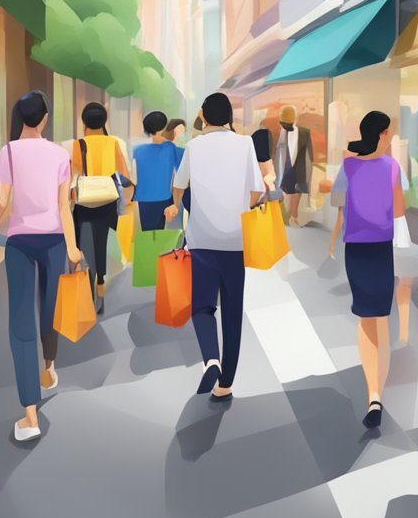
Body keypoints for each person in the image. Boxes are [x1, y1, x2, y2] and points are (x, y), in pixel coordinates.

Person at [0, 92, 83, 442]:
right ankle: (49, 368)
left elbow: (2, 201)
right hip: (55, 241)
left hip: (20, 244)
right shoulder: (59, 154)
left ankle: (30, 415)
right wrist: (72, 246)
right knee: (51, 308)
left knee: (21, 323)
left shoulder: (8, 151)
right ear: (44, 119)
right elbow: (64, 206)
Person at [165, 93, 263, 401]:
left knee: (202, 307)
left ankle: (211, 359)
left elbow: (179, 185)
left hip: (202, 240)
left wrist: (176, 203)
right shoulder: (245, 144)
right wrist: (239, 208)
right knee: (233, 311)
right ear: (230, 117)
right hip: (236, 241)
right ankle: (226, 384)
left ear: (204, 116)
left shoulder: (194, 146)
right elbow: (257, 191)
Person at [327, 112, 406, 428]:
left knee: (365, 317)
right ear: (383, 134)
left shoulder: (348, 165)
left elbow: (337, 200)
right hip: (380, 247)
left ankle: (371, 392)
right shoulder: (392, 167)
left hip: (356, 249)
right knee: (381, 319)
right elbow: (399, 210)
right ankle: (377, 394)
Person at [71, 102, 133, 314]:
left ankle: (89, 283)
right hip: (107, 201)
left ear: (84, 122)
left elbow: (74, 174)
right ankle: (100, 285)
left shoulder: (78, 144)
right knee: (103, 244)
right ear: (104, 121)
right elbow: (124, 175)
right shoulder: (112, 143)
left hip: (84, 202)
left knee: (86, 245)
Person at [132, 111, 181, 231]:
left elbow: (132, 175)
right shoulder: (171, 148)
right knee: (161, 234)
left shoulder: (137, 150)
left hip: (142, 198)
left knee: (146, 233)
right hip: (164, 197)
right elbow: (180, 173)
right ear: (163, 127)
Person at [275, 105, 313, 226]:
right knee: (286, 193)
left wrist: (308, 172)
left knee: (296, 192)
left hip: (299, 168)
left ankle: (293, 217)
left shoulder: (304, 132)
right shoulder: (279, 132)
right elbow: (276, 153)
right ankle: (287, 218)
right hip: (284, 168)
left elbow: (308, 154)